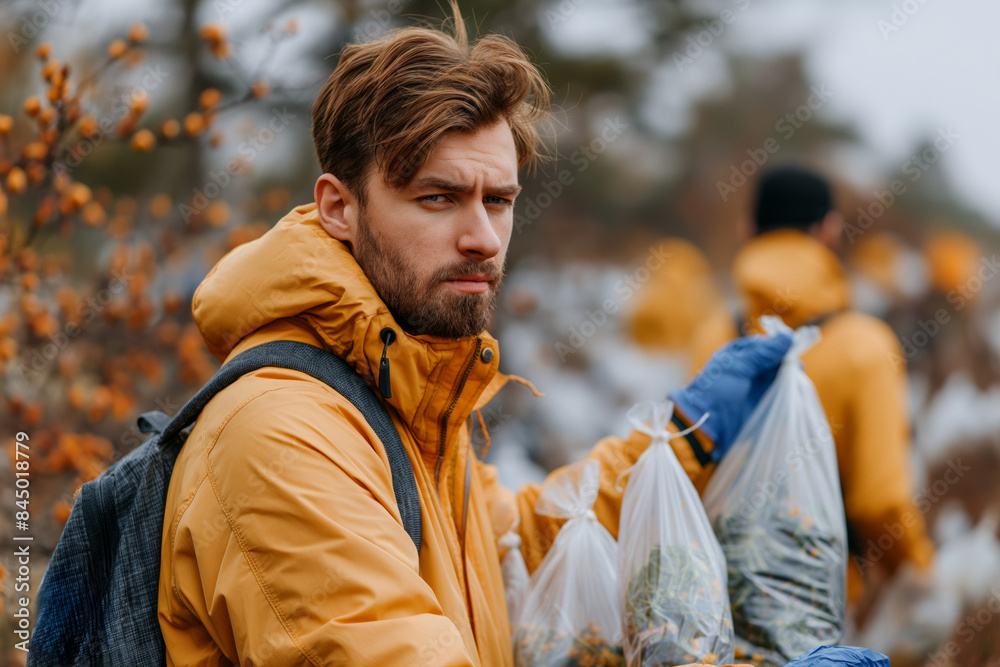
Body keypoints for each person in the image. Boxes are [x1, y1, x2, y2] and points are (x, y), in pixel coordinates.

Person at [157, 9, 790, 666]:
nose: (483, 239)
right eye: (439, 197)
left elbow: (518, 547)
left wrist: (682, 436)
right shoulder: (279, 436)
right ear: (339, 207)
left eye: (498, 200)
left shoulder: (402, 397)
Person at [689, 164, 935, 611]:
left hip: (711, 599)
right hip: (816, 601)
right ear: (830, 231)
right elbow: (879, 501)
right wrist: (918, 570)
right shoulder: (866, 344)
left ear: (748, 231)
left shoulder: (713, 337)